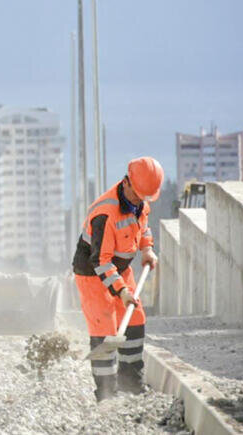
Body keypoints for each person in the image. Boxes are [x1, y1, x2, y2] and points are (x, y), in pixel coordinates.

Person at [72, 156, 163, 401]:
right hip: (93, 275)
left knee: (135, 320)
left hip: (120, 270)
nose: (141, 201)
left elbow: (143, 227)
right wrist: (122, 292)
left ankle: (131, 383)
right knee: (104, 329)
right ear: (127, 183)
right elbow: (100, 261)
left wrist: (147, 248)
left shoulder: (140, 202)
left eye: (145, 197)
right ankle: (106, 394)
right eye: (138, 195)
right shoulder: (105, 214)